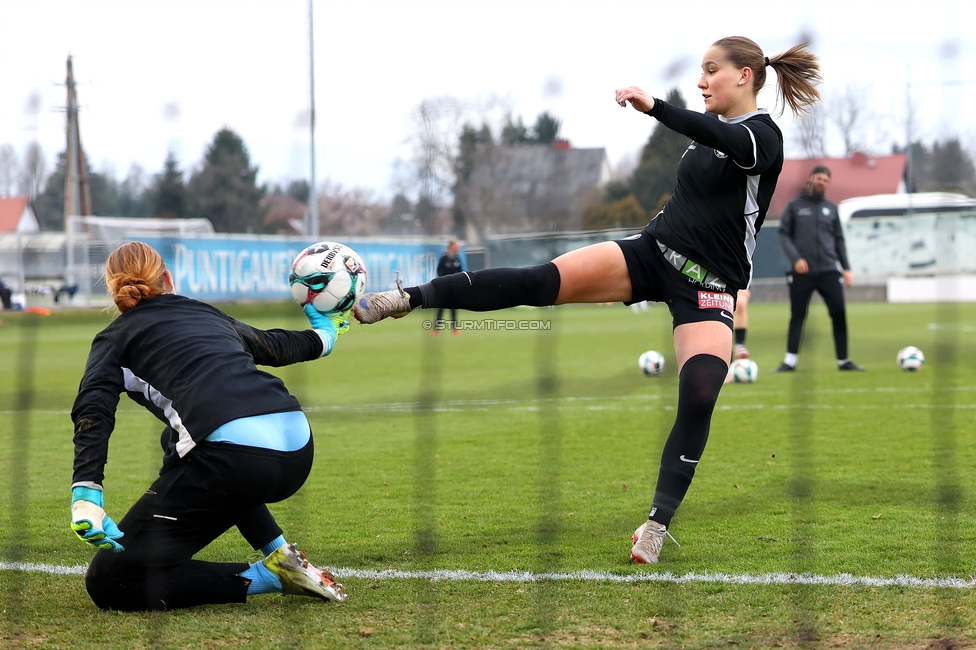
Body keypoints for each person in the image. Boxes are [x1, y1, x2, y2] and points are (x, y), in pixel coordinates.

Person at [353, 37, 821, 564]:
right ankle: (408, 297)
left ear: (745, 77)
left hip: (709, 285)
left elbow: (718, 135)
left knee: (700, 390)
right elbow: (704, 145)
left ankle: (656, 524)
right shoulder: (703, 136)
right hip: (651, 253)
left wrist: (657, 108)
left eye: (712, 70)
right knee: (537, 282)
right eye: (701, 71)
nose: (701, 80)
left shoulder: (763, 136)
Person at [70, 241, 349, 611]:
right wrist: (324, 337)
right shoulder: (205, 313)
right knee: (176, 440)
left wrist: (86, 492)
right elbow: (273, 346)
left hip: (236, 461)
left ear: (113, 290)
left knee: (109, 581)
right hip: (298, 446)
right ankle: (280, 553)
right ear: (168, 278)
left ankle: (267, 575)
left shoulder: (113, 338)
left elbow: (93, 409)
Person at [774, 165, 864, 372]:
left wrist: (847, 268)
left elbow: (839, 240)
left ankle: (844, 360)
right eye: (819, 178)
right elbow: (783, 234)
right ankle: (790, 361)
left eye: (825, 180)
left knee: (839, 312)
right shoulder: (795, 205)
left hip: (828, 270)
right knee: (798, 315)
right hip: (802, 272)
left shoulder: (831, 208)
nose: (821, 182)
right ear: (811, 178)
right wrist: (795, 258)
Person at [433, 238, 464, 335]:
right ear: (452, 246)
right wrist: (444, 280)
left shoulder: (457, 258)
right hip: (444, 286)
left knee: (453, 307)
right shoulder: (444, 258)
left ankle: (455, 328)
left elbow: (460, 271)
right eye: (457, 246)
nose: (458, 248)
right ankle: (436, 329)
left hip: (454, 287)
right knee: (441, 307)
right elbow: (439, 270)